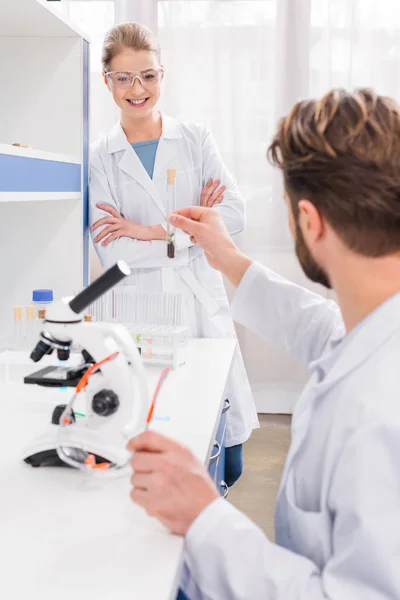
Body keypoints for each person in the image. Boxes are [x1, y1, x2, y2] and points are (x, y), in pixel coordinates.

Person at [127, 88, 400, 599]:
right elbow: (320, 328)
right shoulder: (374, 329)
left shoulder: (379, 413)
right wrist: (226, 256)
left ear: (309, 221)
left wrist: (203, 515)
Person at [89, 22, 258, 487]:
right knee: (166, 442)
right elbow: (111, 251)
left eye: (148, 75)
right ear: (107, 80)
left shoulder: (196, 138)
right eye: (123, 78)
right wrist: (191, 232)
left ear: (163, 74)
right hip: (143, 311)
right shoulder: (100, 156)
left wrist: (149, 232)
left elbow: (234, 214)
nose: (137, 89)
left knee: (231, 455)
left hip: (201, 303)